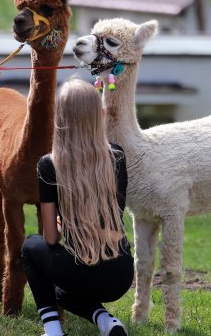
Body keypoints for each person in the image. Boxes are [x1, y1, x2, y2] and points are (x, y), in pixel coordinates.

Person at [21, 77, 133, 336]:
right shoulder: (116, 155)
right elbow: (115, 212)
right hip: (121, 273)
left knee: (30, 246)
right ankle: (107, 321)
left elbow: (50, 238)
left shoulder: (49, 164)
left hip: (81, 269)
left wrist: (62, 223)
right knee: (64, 293)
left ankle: (52, 329)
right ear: (99, 115)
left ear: (60, 118)